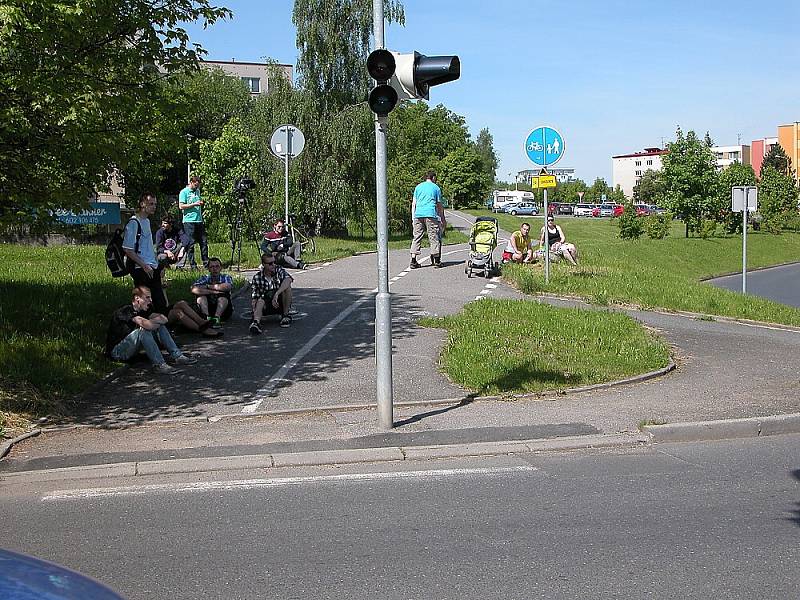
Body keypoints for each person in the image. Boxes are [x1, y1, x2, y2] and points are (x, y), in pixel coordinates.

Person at [105, 286, 196, 374]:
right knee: (142, 331)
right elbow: (147, 325)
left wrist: (152, 322)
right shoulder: (125, 310)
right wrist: (151, 323)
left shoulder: (144, 310)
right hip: (117, 352)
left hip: (132, 349)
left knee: (160, 326)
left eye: (150, 297)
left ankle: (177, 355)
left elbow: (164, 319)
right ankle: (159, 365)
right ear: (137, 298)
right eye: (147, 297)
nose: (150, 300)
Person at [123, 192, 168, 314]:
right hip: (141, 268)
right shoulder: (133, 223)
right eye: (151, 204)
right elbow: (127, 249)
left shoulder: (147, 221)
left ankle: (160, 328)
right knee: (146, 304)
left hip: (151, 266)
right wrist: (144, 266)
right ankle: (146, 329)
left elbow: (149, 247)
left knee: (160, 303)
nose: (154, 206)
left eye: (155, 204)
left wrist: (157, 265)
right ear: (142, 204)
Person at [249, 253, 294, 334]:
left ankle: (285, 315)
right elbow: (255, 297)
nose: (273, 265)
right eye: (270, 264)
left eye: (274, 262)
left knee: (287, 288)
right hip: (266, 305)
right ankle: (256, 323)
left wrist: (276, 294)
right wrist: (254, 311)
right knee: (260, 300)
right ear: (263, 265)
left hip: (279, 303)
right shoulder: (257, 277)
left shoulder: (279, 270)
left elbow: (288, 279)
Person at [409, 171, 446, 269]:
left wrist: (413, 218)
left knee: (417, 236)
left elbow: (414, 203)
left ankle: (413, 260)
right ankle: (437, 260)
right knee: (433, 236)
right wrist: (442, 218)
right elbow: (439, 205)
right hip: (430, 214)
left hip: (418, 214)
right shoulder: (436, 188)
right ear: (433, 178)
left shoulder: (418, 187)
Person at [191, 257, 233, 328]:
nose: (214, 269)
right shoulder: (205, 278)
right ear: (209, 269)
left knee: (223, 296)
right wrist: (212, 291)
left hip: (224, 311)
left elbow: (228, 286)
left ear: (221, 268)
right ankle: (206, 318)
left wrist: (207, 286)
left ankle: (216, 319)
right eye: (212, 267)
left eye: (217, 266)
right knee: (201, 296)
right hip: (208, 308)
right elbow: (193, 289)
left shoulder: (225, 277)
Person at [179, 175, 208, 269]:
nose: (197, 187)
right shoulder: (184, 192)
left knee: (203, 241)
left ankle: (206, 262)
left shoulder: (198, 191)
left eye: (198, 185)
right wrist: (194, 204)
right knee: (190, 244)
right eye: (195, 185)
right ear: (191, 183)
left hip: (199, 220)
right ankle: (193, 265)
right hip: (188, 221)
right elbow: (181, 206)